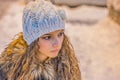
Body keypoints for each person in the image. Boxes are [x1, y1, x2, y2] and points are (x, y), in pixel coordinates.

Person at [0, 0, 81, 80]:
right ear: (33, 40)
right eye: (47, 37)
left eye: (60, 34)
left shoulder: (66, 67)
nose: (57, 43)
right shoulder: (9, 69)